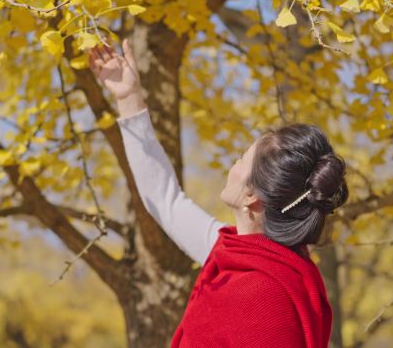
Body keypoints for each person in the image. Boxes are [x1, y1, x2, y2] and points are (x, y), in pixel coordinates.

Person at [88, 37, 349, 348]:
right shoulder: (244, 257)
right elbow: (162, 197)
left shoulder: (263, 294)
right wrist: (129, 97)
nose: (233, 164)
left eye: (242, 159)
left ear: (252, 196)